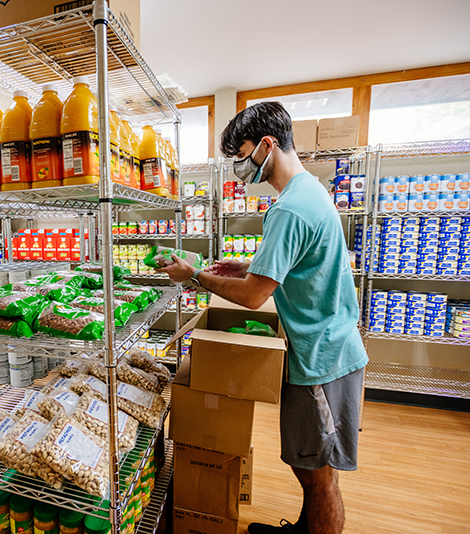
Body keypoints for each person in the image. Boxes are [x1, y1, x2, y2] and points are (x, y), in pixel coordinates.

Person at [157, 102, 368, 534]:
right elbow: (289, 267)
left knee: (319, 477)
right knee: (309, 467)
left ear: (267, 145)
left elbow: (254, 297)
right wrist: (241, 268)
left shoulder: (289, 208)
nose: (239, 166)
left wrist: (194, 275)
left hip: (321, 360)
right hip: (324, 346)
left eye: (242, 154)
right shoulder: (308, 191)